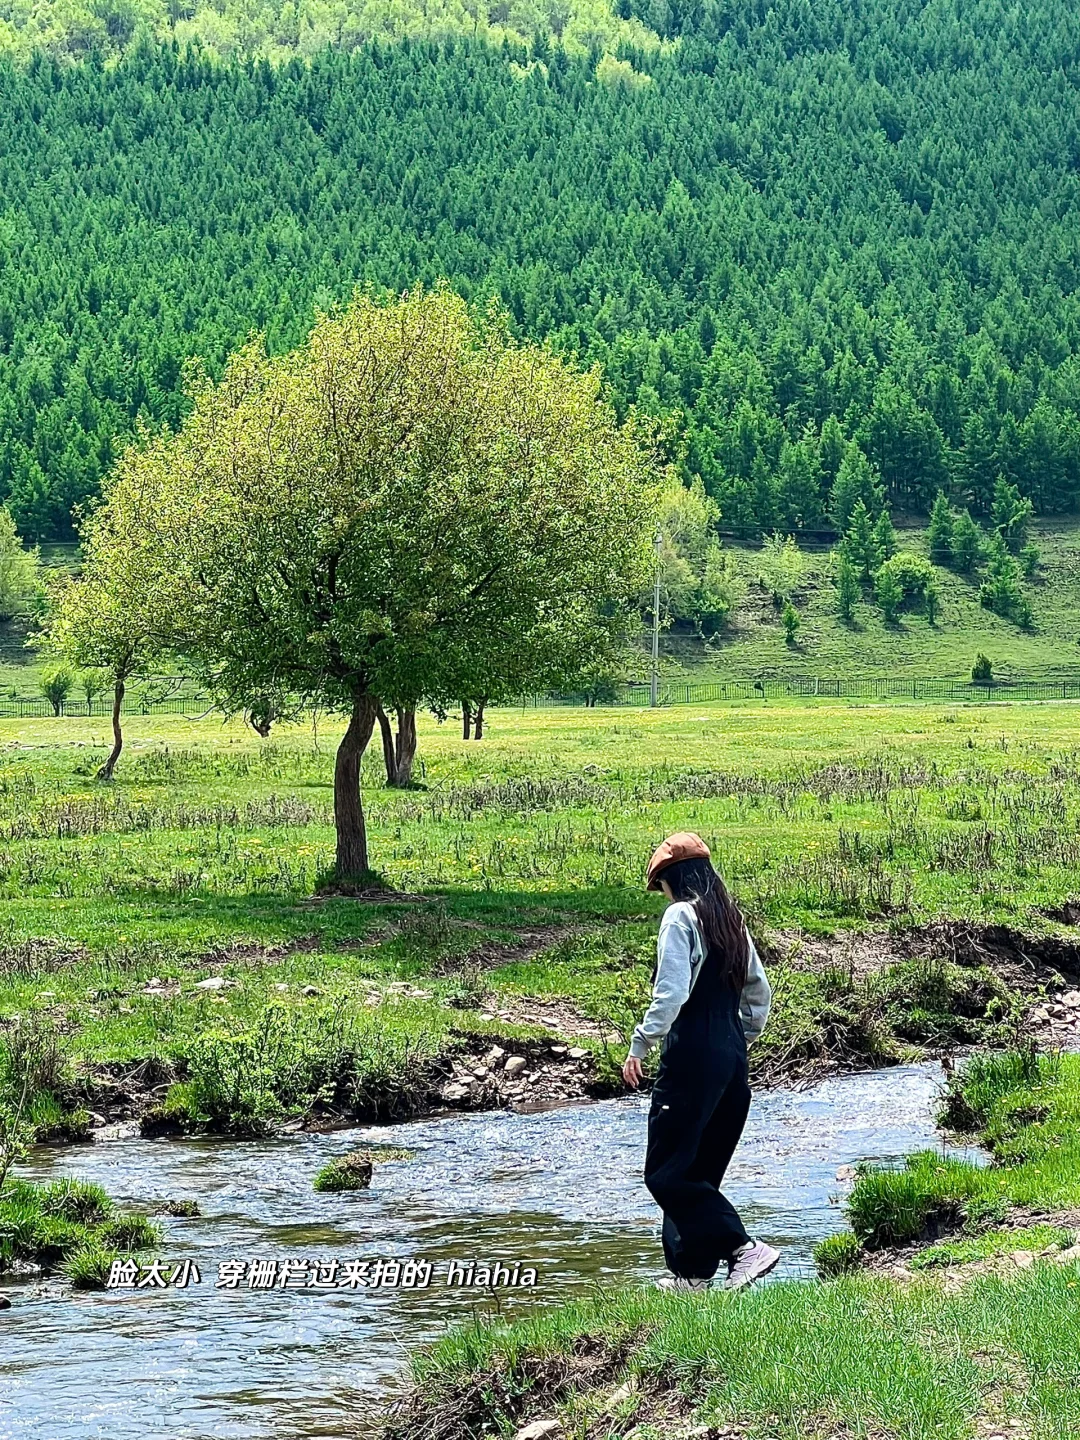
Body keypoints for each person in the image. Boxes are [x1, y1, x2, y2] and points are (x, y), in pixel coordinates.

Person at [623, 831, 779, 1292]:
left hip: (692, 1055)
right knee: (698, 1171)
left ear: (671, 881)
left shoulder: (679, 918)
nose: (664, 897)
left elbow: (670, 992)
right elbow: (759, 994)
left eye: (662, 888)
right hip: (731, 1057)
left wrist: (640, 1045)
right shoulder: (731, 919)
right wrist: (735, 1041)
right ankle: (692, 1276)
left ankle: (743, 1248)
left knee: (666, 1173)